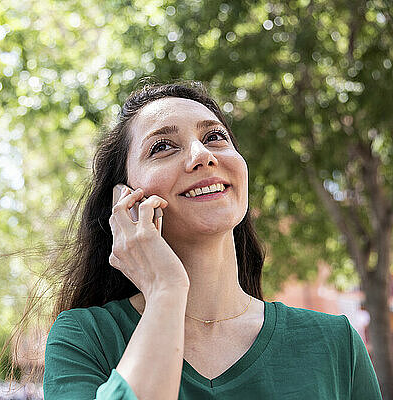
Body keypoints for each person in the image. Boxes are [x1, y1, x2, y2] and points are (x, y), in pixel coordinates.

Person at [41, 81, 382, 399]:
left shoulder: (336, 343)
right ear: (124, 201)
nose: (202, 155)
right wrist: (165, 290)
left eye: (215, 136)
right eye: (162, 146)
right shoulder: (84, 338)